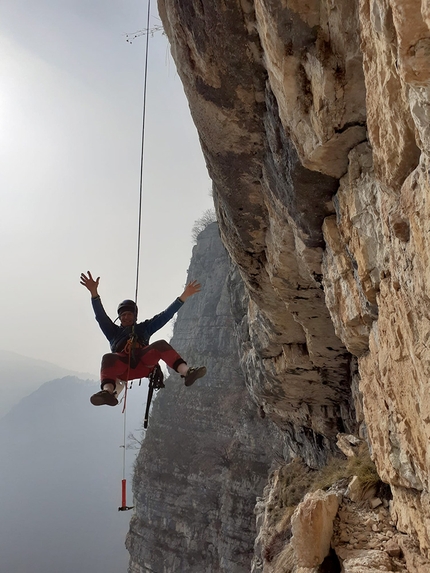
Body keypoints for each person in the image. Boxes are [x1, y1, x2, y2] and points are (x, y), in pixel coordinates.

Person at [80, 271, 207, 406]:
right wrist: (94, 293)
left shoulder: (144, 328)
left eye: (129, 314)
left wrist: (184, 296)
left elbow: (165, 316)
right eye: (123, 315)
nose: (126, 317)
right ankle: (108, 392)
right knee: (107, 358)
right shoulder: (113, 332)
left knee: (161, 345)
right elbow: (101, 317)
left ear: (135, 316)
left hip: (144, 363)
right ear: (119, 318)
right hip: (123, 368)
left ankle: (187, 372)